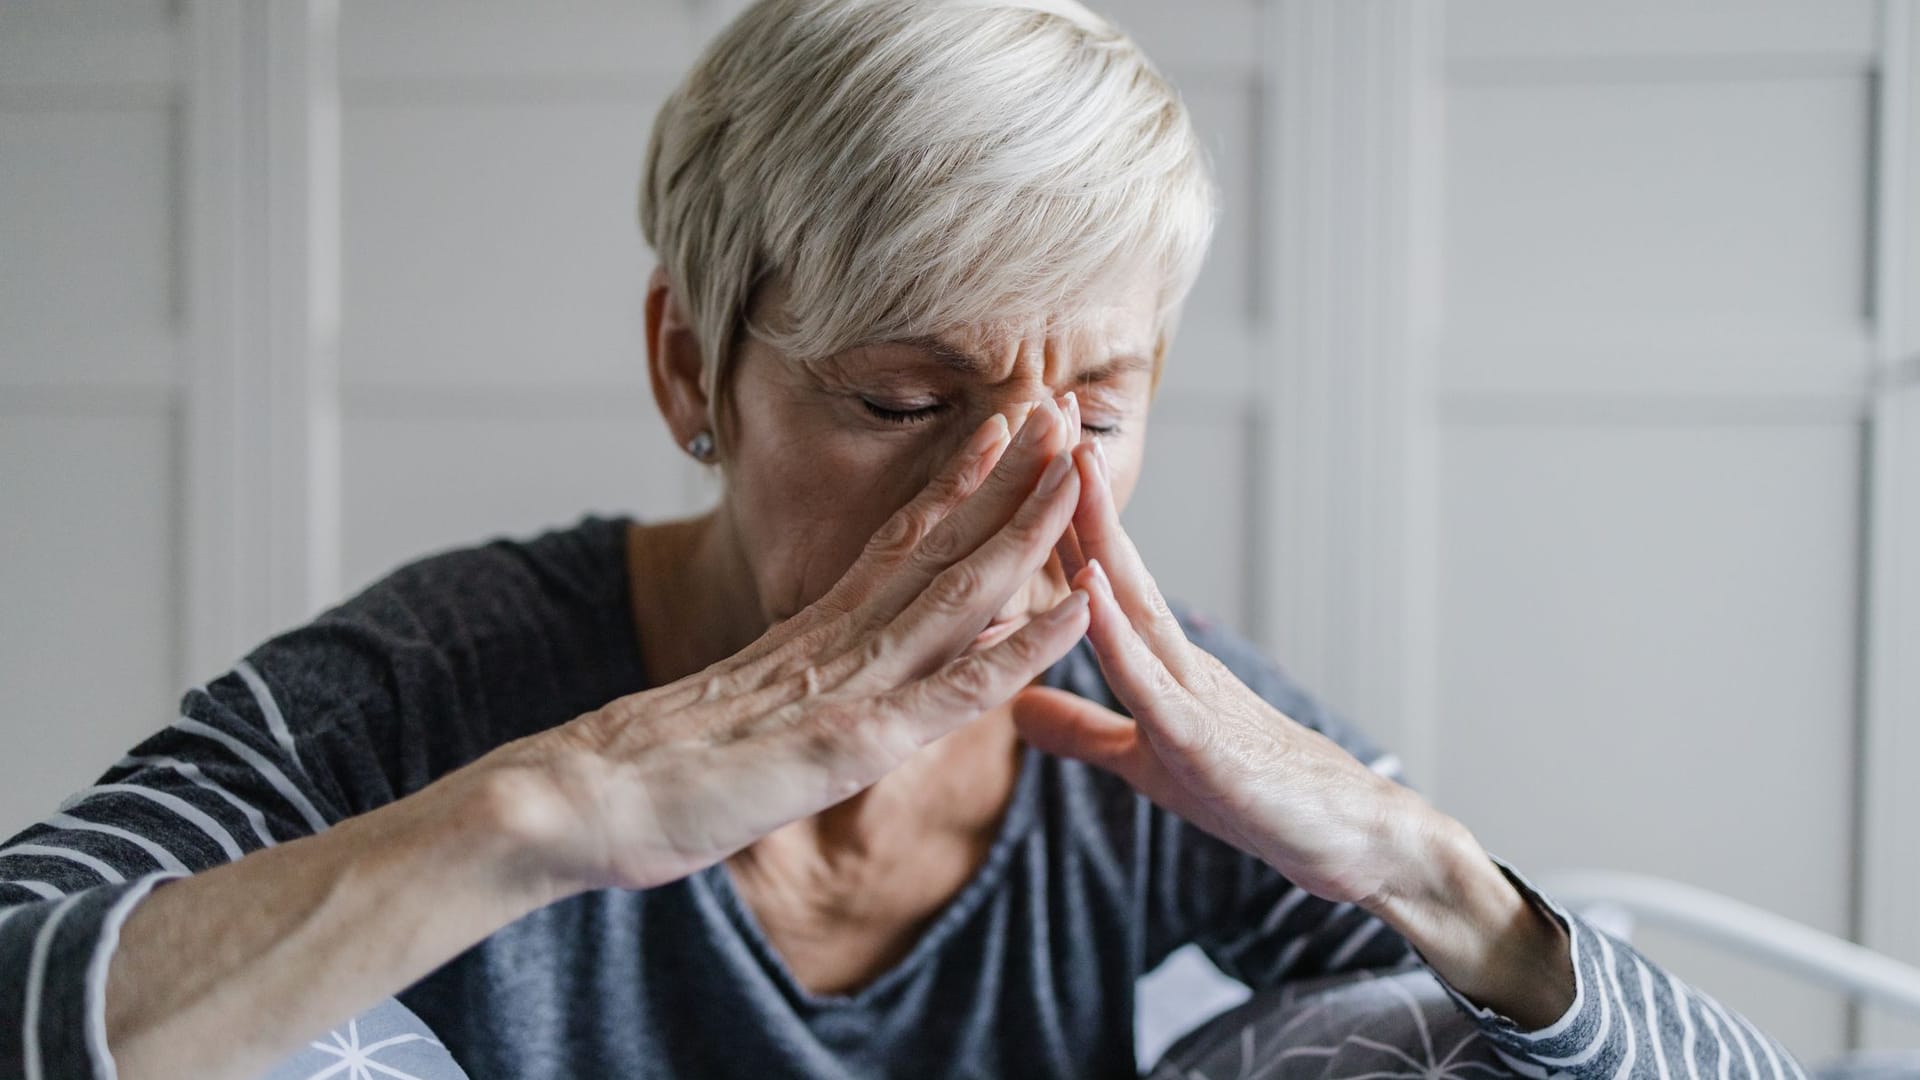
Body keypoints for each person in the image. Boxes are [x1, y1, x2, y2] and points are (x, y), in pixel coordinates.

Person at [0, 1, 1807, 1077]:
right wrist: (550, 819)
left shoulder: (1152, 724)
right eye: (900, 404)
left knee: (1436, 1031)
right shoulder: (435, 678)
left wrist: (1430, 867)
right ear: (689, 366)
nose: (1016, 506)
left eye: (1094, 412)